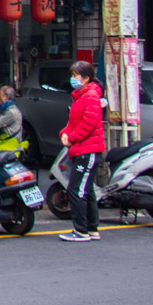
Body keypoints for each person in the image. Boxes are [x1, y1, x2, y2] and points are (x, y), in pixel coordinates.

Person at [58, 60, 106, 242]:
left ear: (86, 78)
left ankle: (81, 230)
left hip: (88, 150)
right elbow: (74, 122)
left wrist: (71, 137)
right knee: (87, 190)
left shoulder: (91, 96)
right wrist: (64, 133)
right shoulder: (80, 96)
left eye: (75, 76)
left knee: (76, 189)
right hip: (81, 149)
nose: (72, 79)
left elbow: (88, 123)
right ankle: (91, 229)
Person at [0, 85, 25, 154]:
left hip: (8, 146)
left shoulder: (12, 112)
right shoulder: (6, 110)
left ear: (6, 97)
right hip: (4, 143)